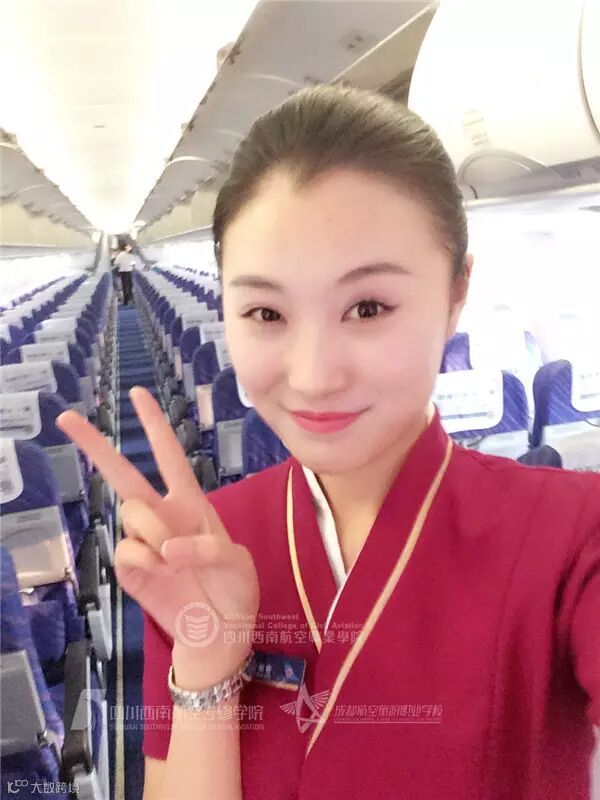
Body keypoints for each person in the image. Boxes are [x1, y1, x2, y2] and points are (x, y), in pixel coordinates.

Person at [57, 85, 600, 800]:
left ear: (457, 293)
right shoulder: (197, 547)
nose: (313, 377)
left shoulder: (573, 534)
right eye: (265, 312)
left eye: (368, 307)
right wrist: (210, 661)